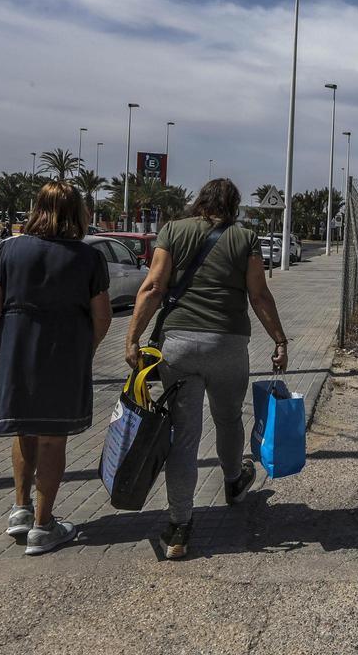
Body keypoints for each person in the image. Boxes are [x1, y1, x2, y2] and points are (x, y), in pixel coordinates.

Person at [124, 178, 289, 560]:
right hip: (228, 344)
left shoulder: (172, 230)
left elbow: (152, 287)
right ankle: (234, 483)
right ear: (232, 205)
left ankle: (180, 526)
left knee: (184, 435)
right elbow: (259, 294)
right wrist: (279, 340)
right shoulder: (244, 237)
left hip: (178, 345)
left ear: (200, 201)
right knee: (228, 419)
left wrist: (131, 338)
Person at [0, 182, 112, 555]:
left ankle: (21, 509)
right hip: (63, 358)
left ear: (37, 209)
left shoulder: (9, 250)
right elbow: (102, 317)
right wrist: (84, 351)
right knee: (52, 438)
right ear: (77, 213)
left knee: (24, 430)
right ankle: (44, 527)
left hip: (16, 356)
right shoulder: (89, 259)